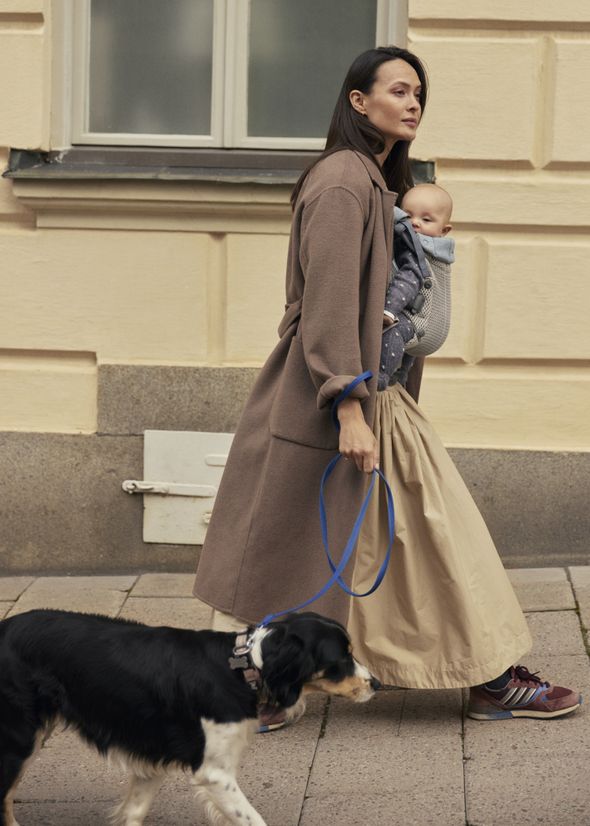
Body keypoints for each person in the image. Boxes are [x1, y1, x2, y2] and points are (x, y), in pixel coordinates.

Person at [193, 46, 581, 724]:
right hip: (348, 396)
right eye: (398, 90)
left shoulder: (371, 181)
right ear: (357, 101)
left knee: (379, 543)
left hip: (373, 393)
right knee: (437, 529)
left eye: (418, 96)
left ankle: (274, 684)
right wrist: (348, 406)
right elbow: (331, 306)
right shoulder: (344, 182)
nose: (412, 104)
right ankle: (488, 678)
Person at [379, 183, 454, 389]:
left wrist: (389, 310)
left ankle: (382, 375)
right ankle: (400, 378)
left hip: (418, 323)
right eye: (407, 216)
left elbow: (409, 279)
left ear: (444, 230)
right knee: (403, 351)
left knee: (392, 331)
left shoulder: (417, 248)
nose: (414, 223)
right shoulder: (442, 253)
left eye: (426, 219)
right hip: (435, 327)